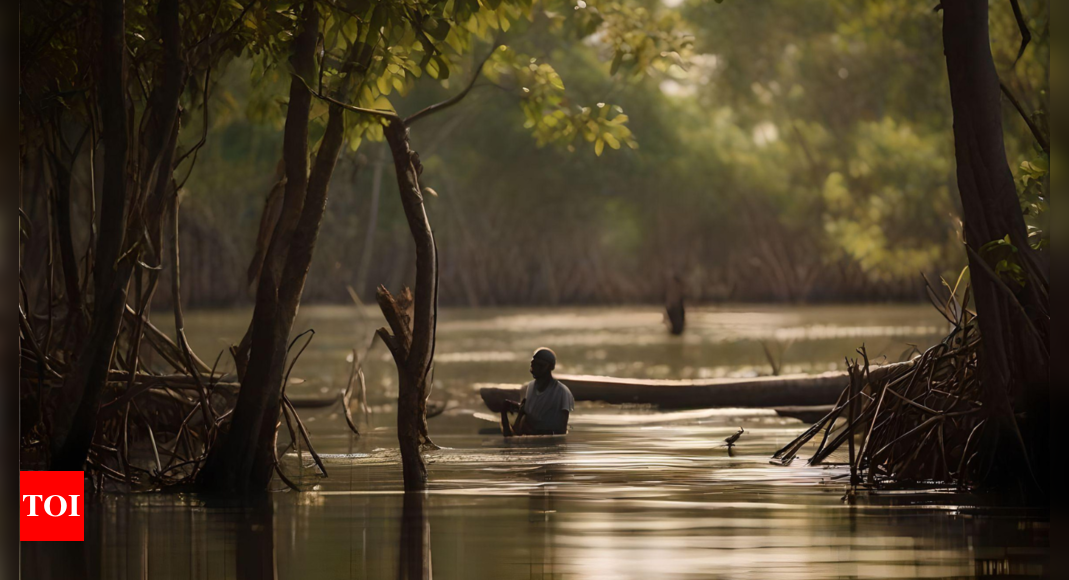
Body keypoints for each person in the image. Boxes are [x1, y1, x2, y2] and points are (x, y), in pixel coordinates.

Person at [500, 348, 575, 436]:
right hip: (530, 435)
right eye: (533, 365)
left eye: (540, 365)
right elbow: (529, 414)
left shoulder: (561, 392)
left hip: (548, 439)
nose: (535, 369)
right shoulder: (530, 387)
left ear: (550, 367)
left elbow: (561, 429)